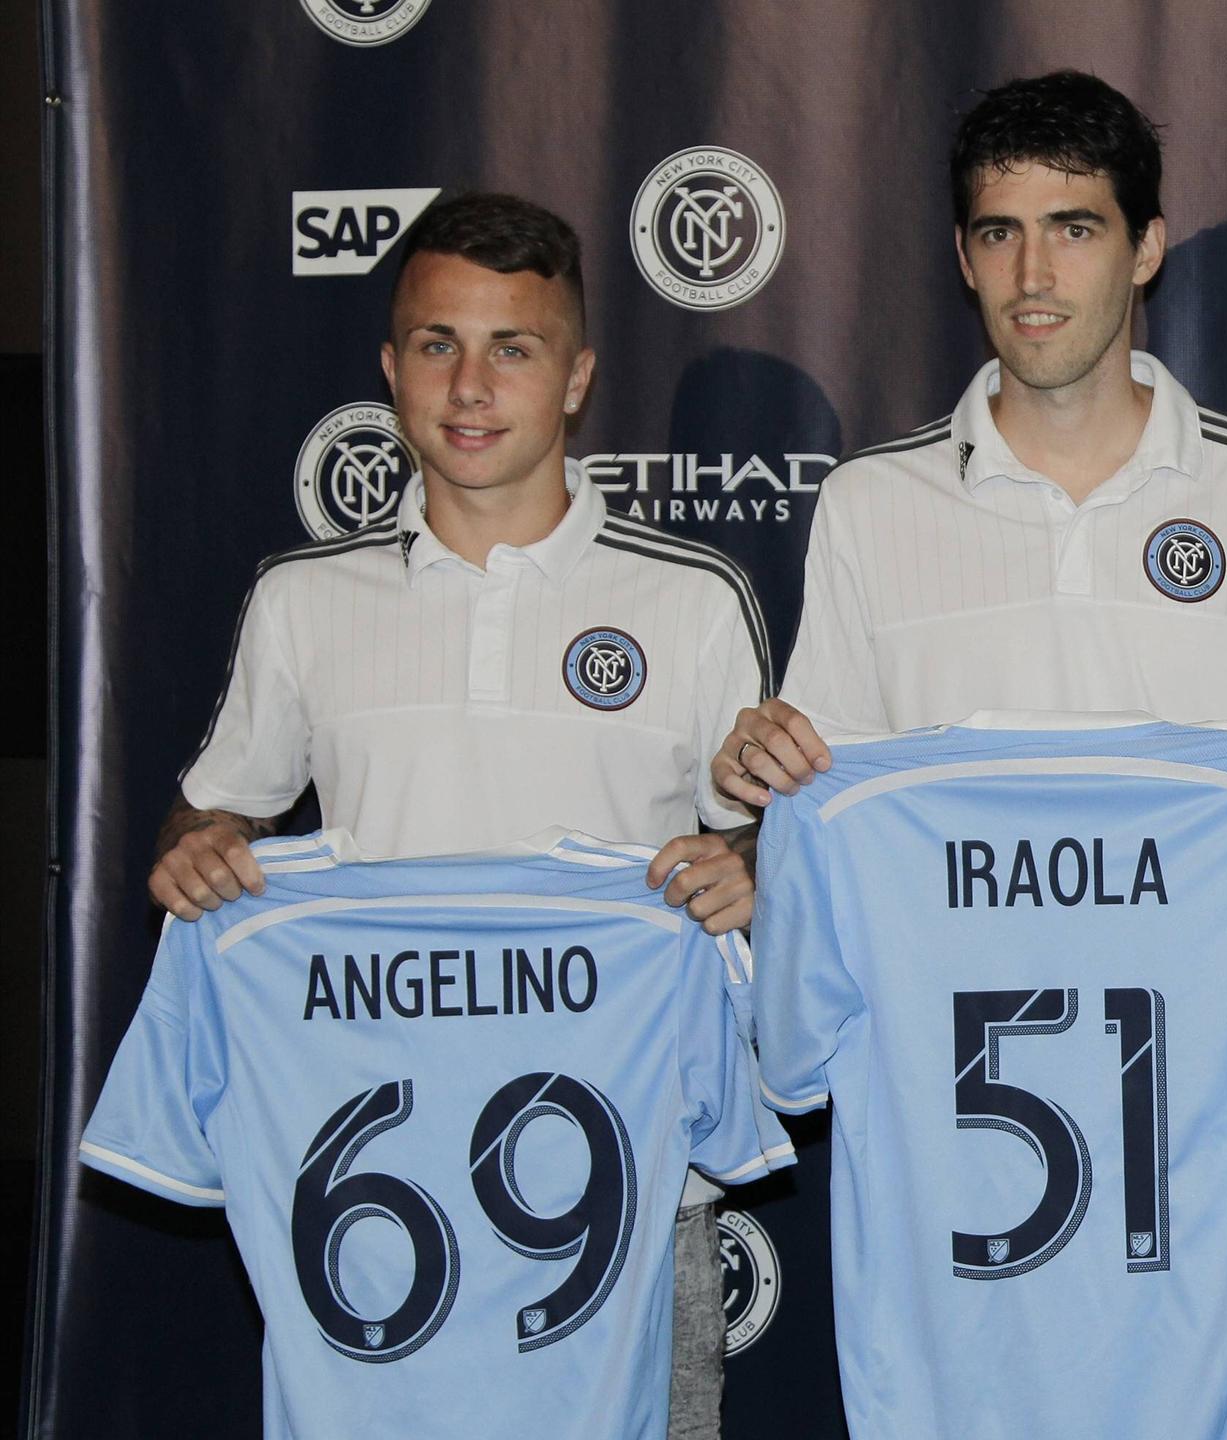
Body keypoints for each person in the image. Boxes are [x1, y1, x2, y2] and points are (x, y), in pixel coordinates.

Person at [144, 193, 768, 1439]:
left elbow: (759, 844)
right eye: (439, 345)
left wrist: (751, 867)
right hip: (377, 1194)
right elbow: (209, 817)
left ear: (576, 378)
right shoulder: (305, 601)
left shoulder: (693, 600)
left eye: (512, 349)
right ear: (391, 369)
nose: (470, 387)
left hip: (633, 1188)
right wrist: (200, 850)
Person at [713, 71, 1227, 807]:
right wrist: (765, 778)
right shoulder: (867, 501)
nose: (1032, 276)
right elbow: (829, 800)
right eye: (1000, 233)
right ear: (965, 258)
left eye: (1073, 230)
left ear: (1146, 250)